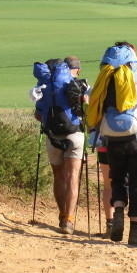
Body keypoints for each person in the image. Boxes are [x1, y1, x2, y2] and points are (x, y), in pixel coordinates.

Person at [86, 42, 137, 247]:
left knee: (118, 179)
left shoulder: (104, 80)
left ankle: (119, 209)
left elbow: (94, 109)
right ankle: (136, 229)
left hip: (112, 138)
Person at [33, 56, 88, 235]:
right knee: (73, 177)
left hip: (52, 135)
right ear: (77, 69)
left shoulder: (47, 87)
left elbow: (38, 114)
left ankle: (62, 214)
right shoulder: (80, 85)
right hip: (74, 134)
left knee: (58, 176)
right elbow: (87, 110)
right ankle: (69, 220)